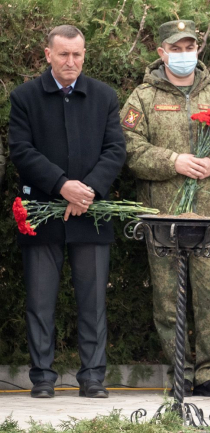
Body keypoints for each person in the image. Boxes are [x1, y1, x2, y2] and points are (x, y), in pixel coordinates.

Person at [120, 20, 210, 398]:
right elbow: (129, 148)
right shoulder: (142, 98)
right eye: (176, 48)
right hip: (162, 215)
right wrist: (172, 161)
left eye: (189, 47)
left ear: (197, 50)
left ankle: (207, 372)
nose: (184, 54)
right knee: (167, 298)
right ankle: (180, 371)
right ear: (162, 53)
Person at [8, 25, 126, 399]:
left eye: (77, 54)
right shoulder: (24, 97)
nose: (71, 61)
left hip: (91, 212)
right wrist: (62, 185)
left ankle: (92, 377)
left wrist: (86, 191)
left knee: (93, 302)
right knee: (40, 301)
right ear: (48, 55)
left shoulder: (104, 96)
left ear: (84, 54)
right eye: (63, 54)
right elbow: (21, 150)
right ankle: (43, 377)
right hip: (42, 213)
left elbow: (115, 149)